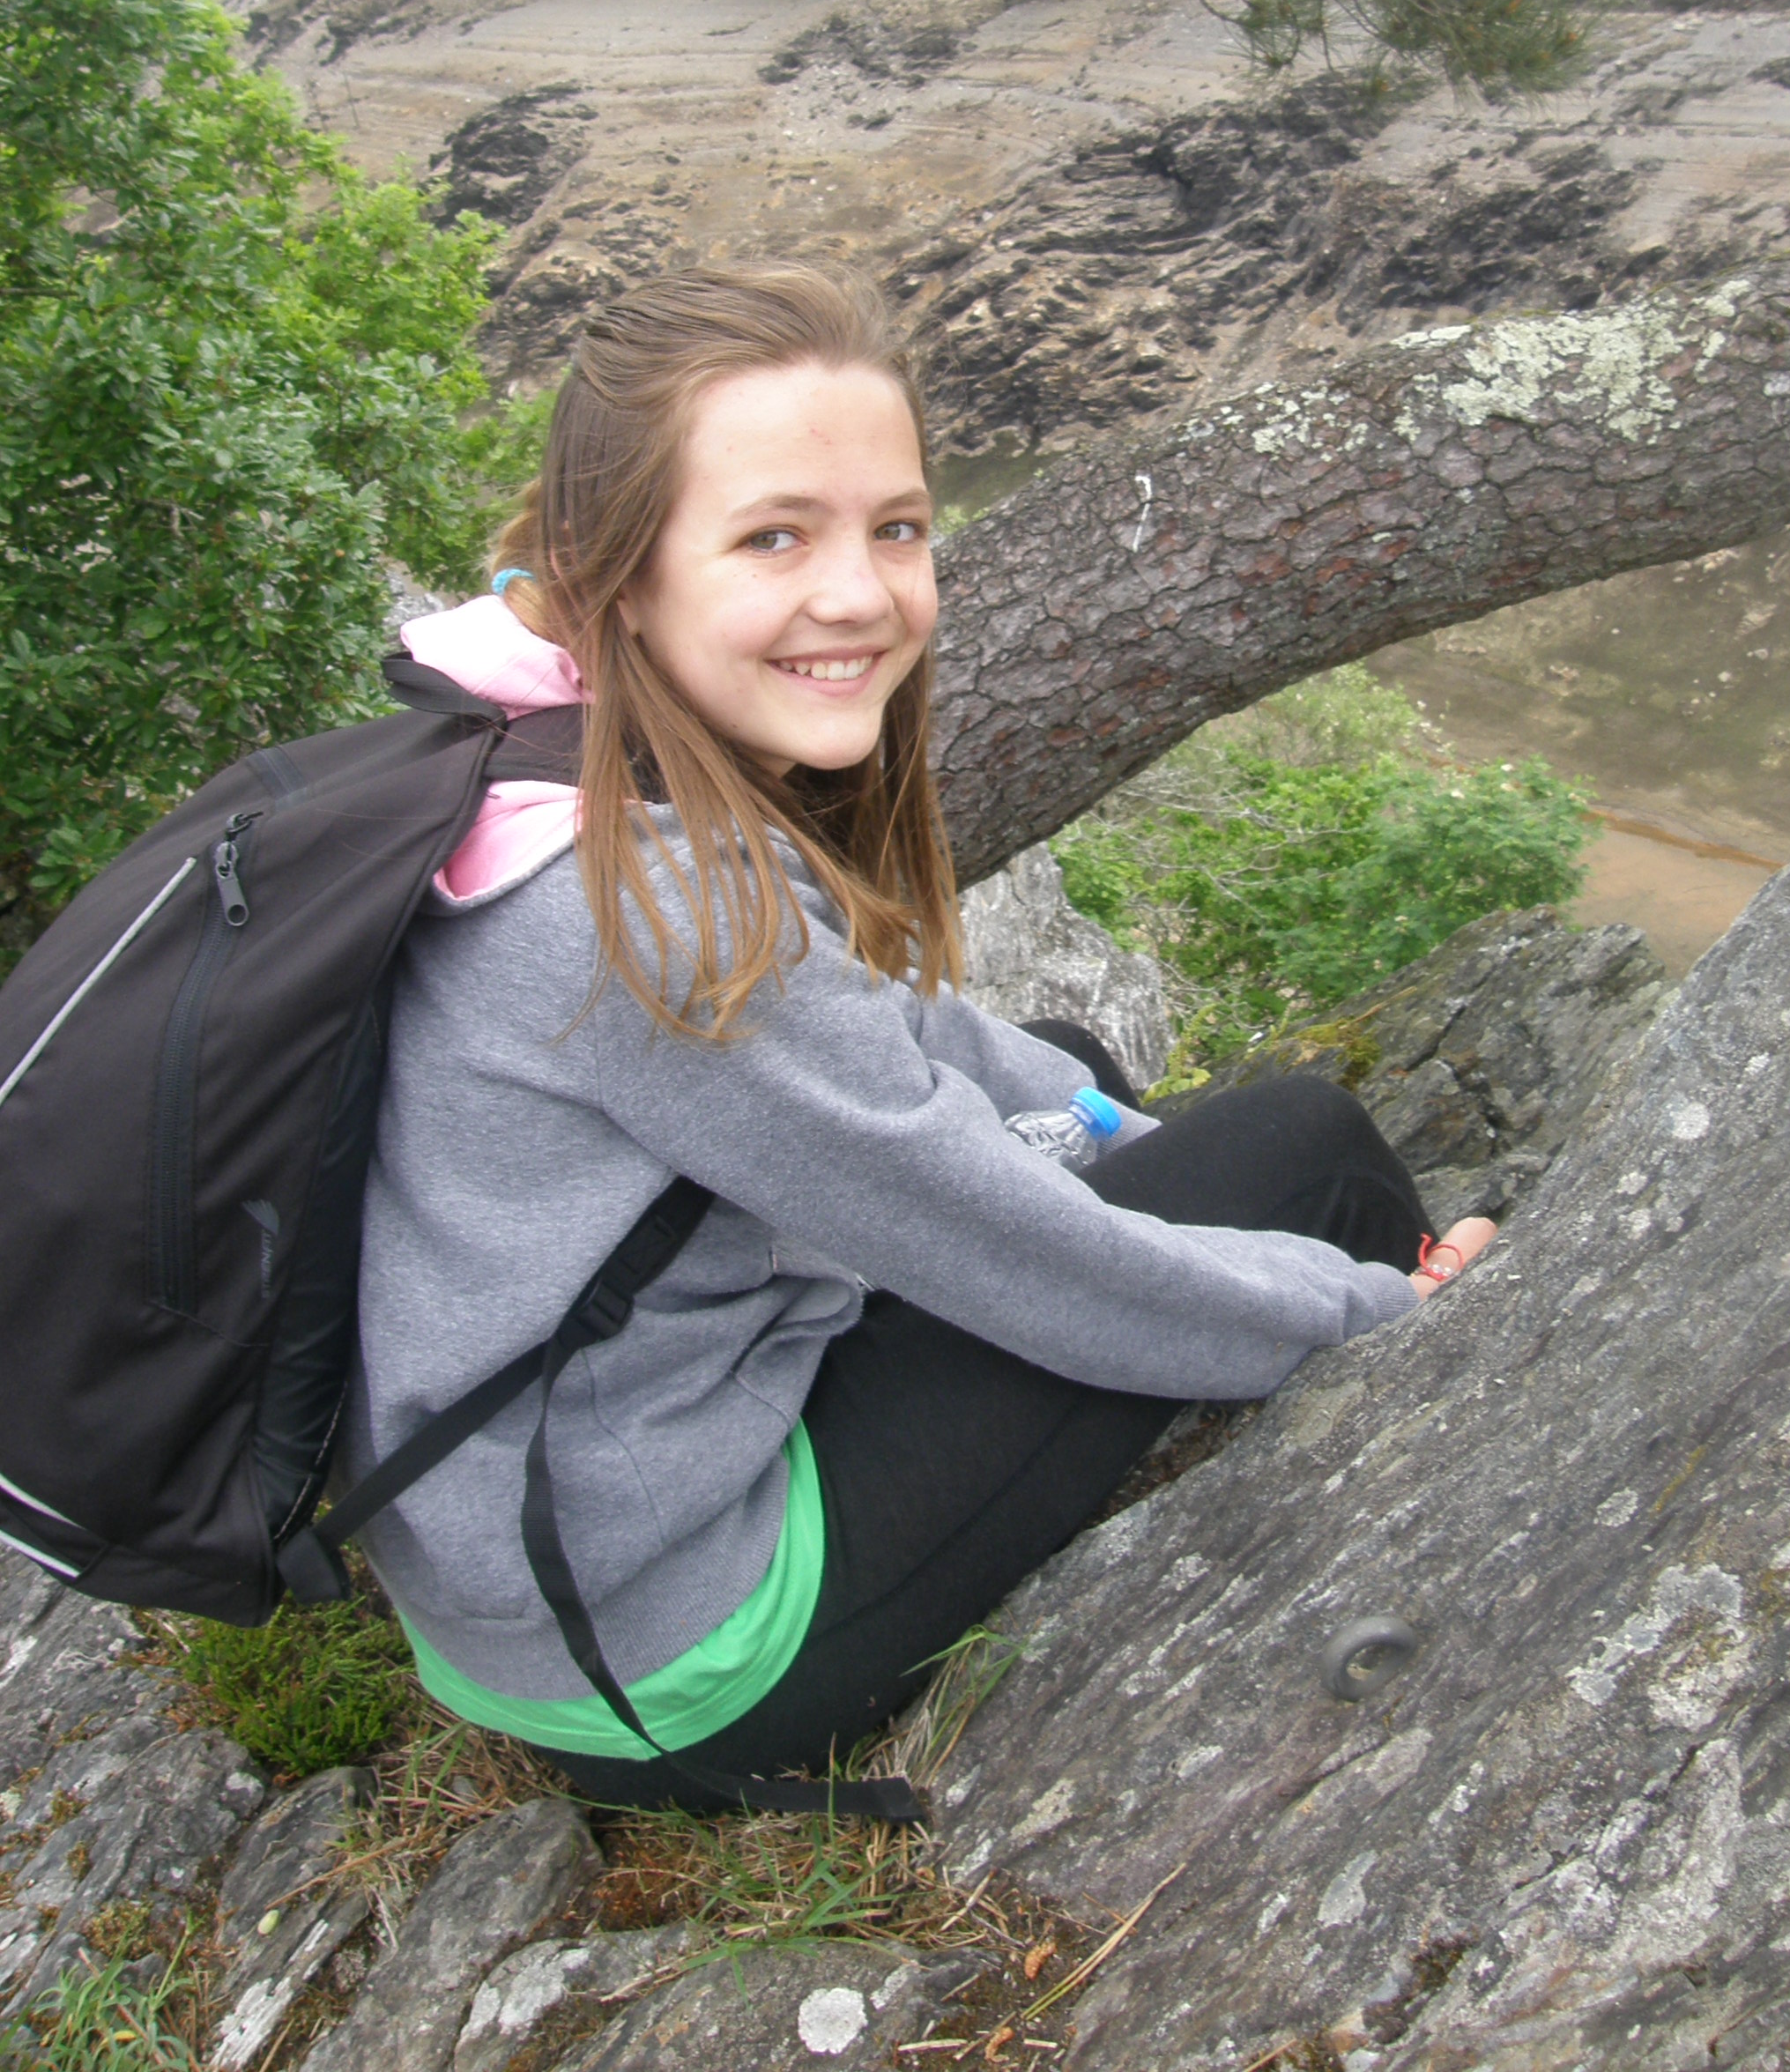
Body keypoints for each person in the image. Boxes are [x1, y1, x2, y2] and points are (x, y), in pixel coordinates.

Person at [345, 264, 1494, 1815]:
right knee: (1306, 1149)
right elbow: (1033, 1265)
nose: (863, 595)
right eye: (773, 537)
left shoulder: (505, 739)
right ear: (617, 567)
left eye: (896, 527)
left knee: (1072, 1062)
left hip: (539, 1550)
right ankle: (1461, 1460)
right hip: (680, 1649)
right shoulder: (651, 914)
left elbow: (896, 1038)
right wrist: (1396, 1320)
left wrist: (1121, 1135)